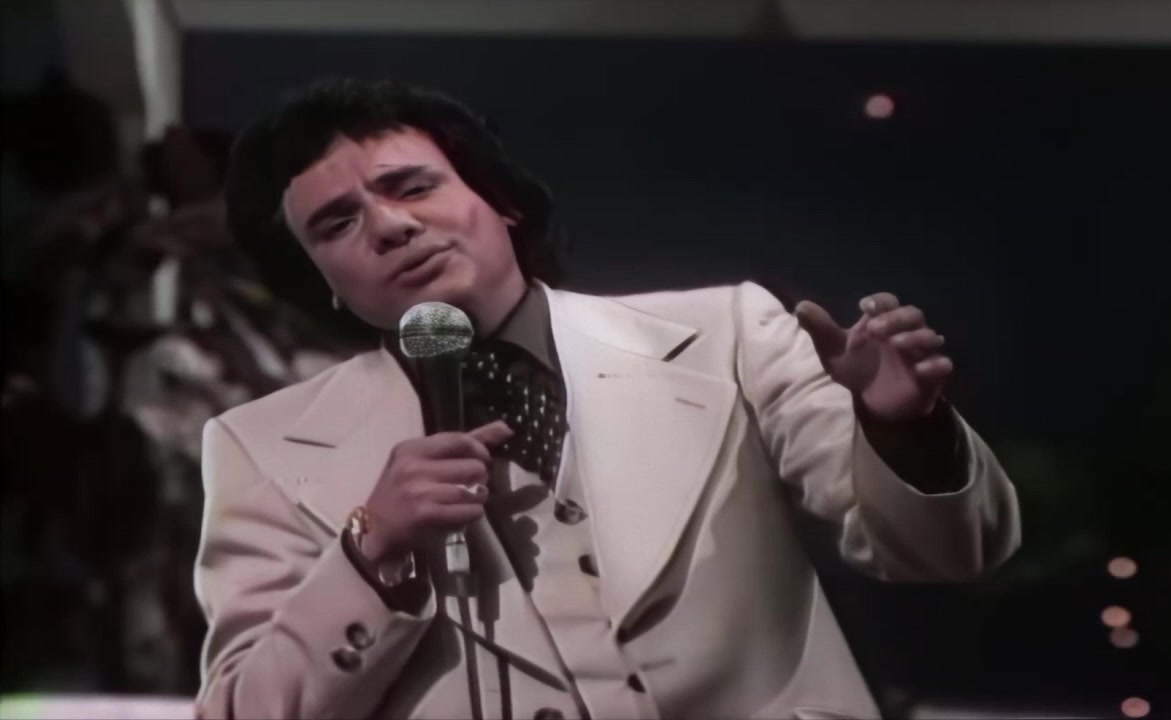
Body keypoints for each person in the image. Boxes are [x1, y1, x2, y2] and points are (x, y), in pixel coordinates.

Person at [195, 77, 1020, 720]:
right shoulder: (260, 445)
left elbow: (946, 554)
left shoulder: (726, 334)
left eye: (412, 186)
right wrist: (370, 549)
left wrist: (903, 430)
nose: (389, 226)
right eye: (337, 224)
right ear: (322, 280)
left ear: (500, 201)